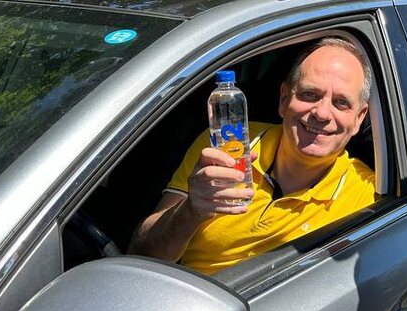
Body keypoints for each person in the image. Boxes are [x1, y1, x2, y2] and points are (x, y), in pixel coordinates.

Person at [130, 37, 377, 274]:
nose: (322, 113)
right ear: (283, 99)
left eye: (341, 103)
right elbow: (142, 255)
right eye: (309, 95)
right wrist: (189, 211)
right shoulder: (224, 145)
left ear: (359, 118)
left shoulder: (368, 195)